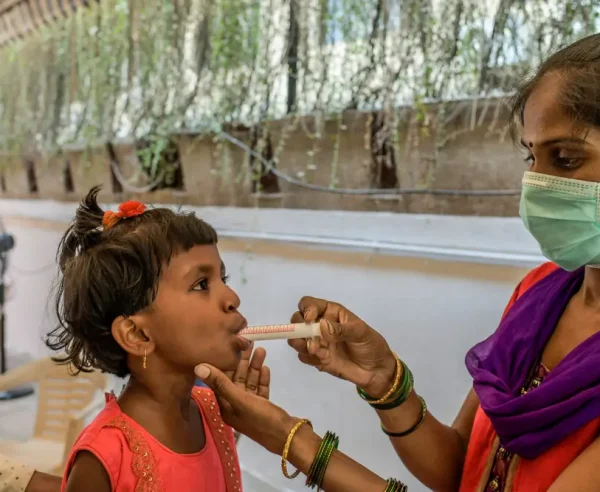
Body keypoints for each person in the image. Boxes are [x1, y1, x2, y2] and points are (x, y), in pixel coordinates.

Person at [194, 32, 600, 492]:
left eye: (565, 159)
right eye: (531, 156)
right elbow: (458, 473)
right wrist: (383, 379)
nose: (535, 184)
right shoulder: (539, 294)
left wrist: (291, 440)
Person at [46, 187, 270, 492]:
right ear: (137, 335)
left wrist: (243, 423)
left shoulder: (214, 412)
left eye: (223, 279)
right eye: (202, 283)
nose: (232, 297)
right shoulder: (105, 458)